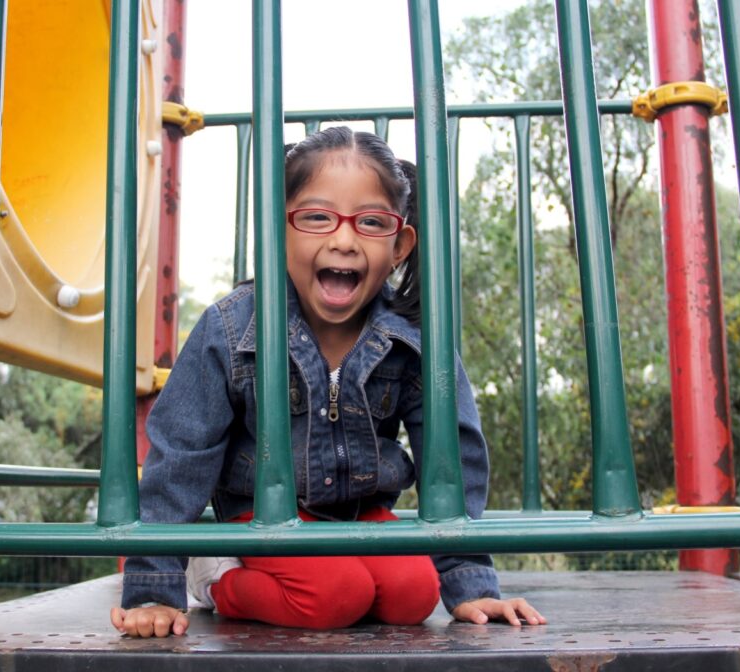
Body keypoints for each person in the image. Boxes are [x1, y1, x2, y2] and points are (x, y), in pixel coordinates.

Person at [110, 126, 546, 638]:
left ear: (401, 244)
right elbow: (179, 455)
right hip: (261, 518)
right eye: (316, 218)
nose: (343, 239)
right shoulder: (232, 329)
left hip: (360, 515)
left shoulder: (414, 339)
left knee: (414, 595)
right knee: (335, 595)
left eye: (371, 223)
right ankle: (214, 577)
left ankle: (344, 577)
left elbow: (452, 461)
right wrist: (153, 590)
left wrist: (471, 585)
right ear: (279, 231)